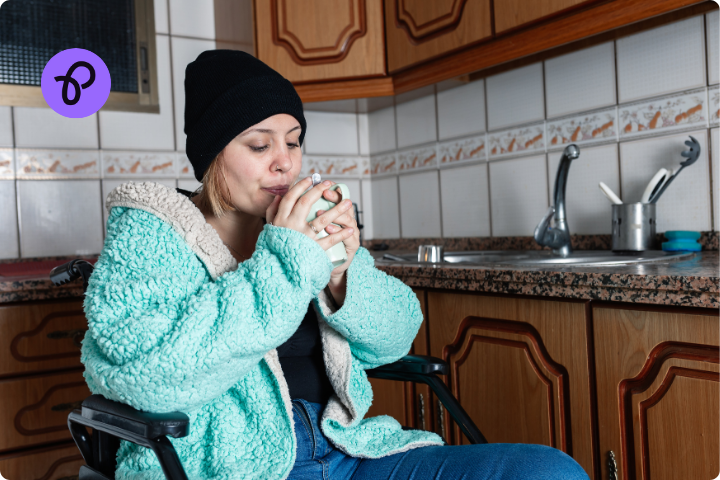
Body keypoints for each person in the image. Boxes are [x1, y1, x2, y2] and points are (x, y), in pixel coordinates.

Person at [81, 50, 589, 480]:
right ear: (214, 154)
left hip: (348, 453)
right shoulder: (151, 234)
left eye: (294, 140)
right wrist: (291, 258)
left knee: (549, 471)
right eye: (260, 144)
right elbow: (154, 376)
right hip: (234, 467)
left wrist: (345, 276)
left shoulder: (302, 224)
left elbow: (395, 337)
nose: (285, 162)